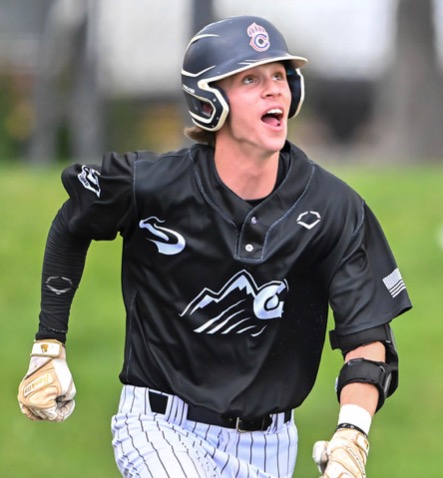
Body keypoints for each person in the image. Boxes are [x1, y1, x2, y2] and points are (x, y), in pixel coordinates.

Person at [18, 15, 411, 478]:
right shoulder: (153, 184)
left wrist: (352, 434)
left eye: (280, 76)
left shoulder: (335, 208)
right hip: (160, 426)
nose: (274, 90)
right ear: (209, 101)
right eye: (251, 79)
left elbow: (368, 339)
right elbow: (72, 223)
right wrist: (49, 344)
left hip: (272, 446)